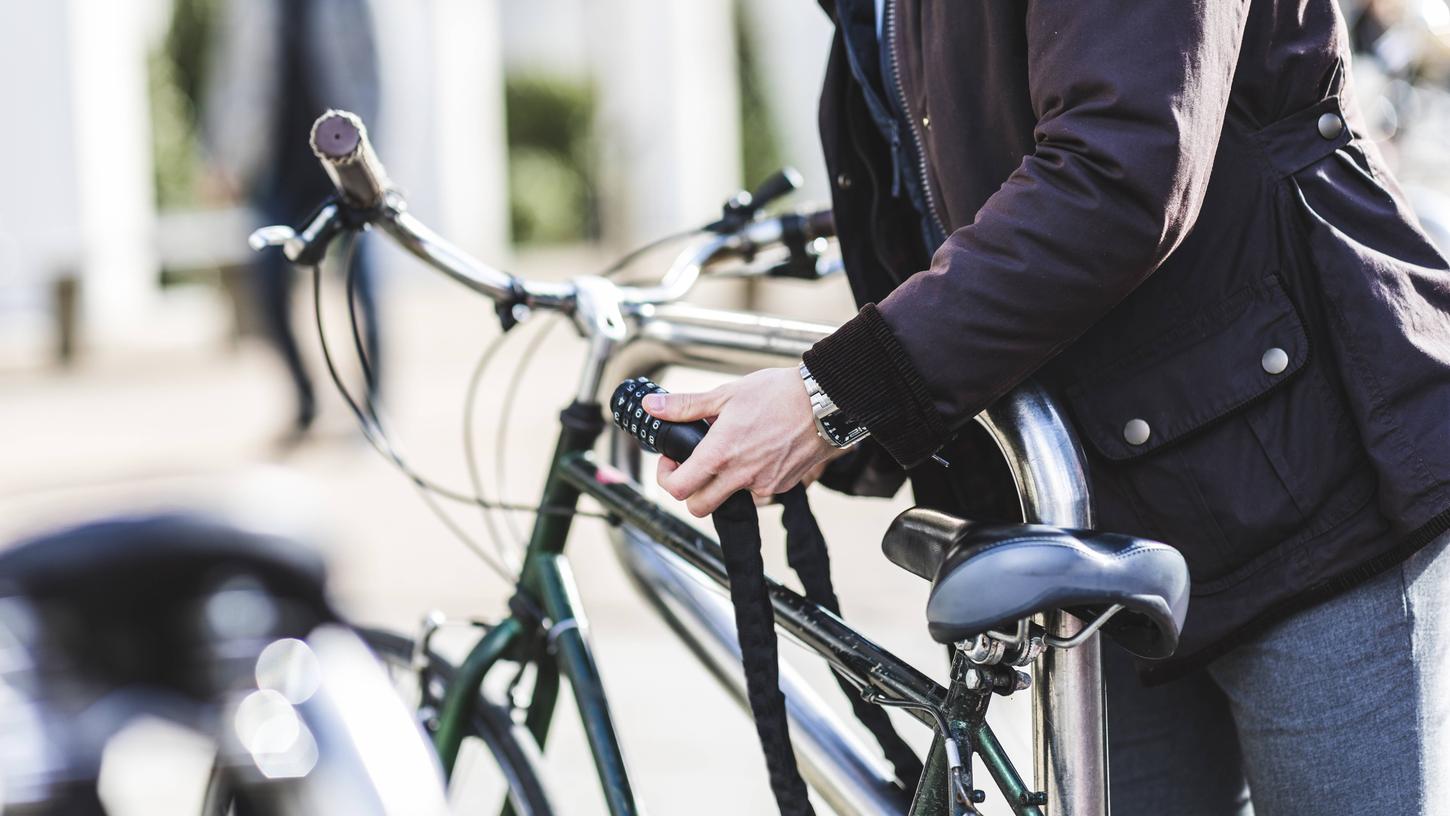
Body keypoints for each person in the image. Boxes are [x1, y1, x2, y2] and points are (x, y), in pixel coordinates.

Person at [645, 0, 1450, 812]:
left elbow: (1120, 171)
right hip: (1101, 509)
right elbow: (931, 196)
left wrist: (831, 399)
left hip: (1313, 483)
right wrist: (843, 424)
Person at [203, 0, 383, 443]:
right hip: (274, 164)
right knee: (266, 286)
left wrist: (374, 159)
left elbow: (375, 65)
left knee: (363, 287)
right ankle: (304, 398)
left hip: (345, 166)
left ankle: (375, 407)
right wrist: (220, 156)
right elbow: (228, 74)